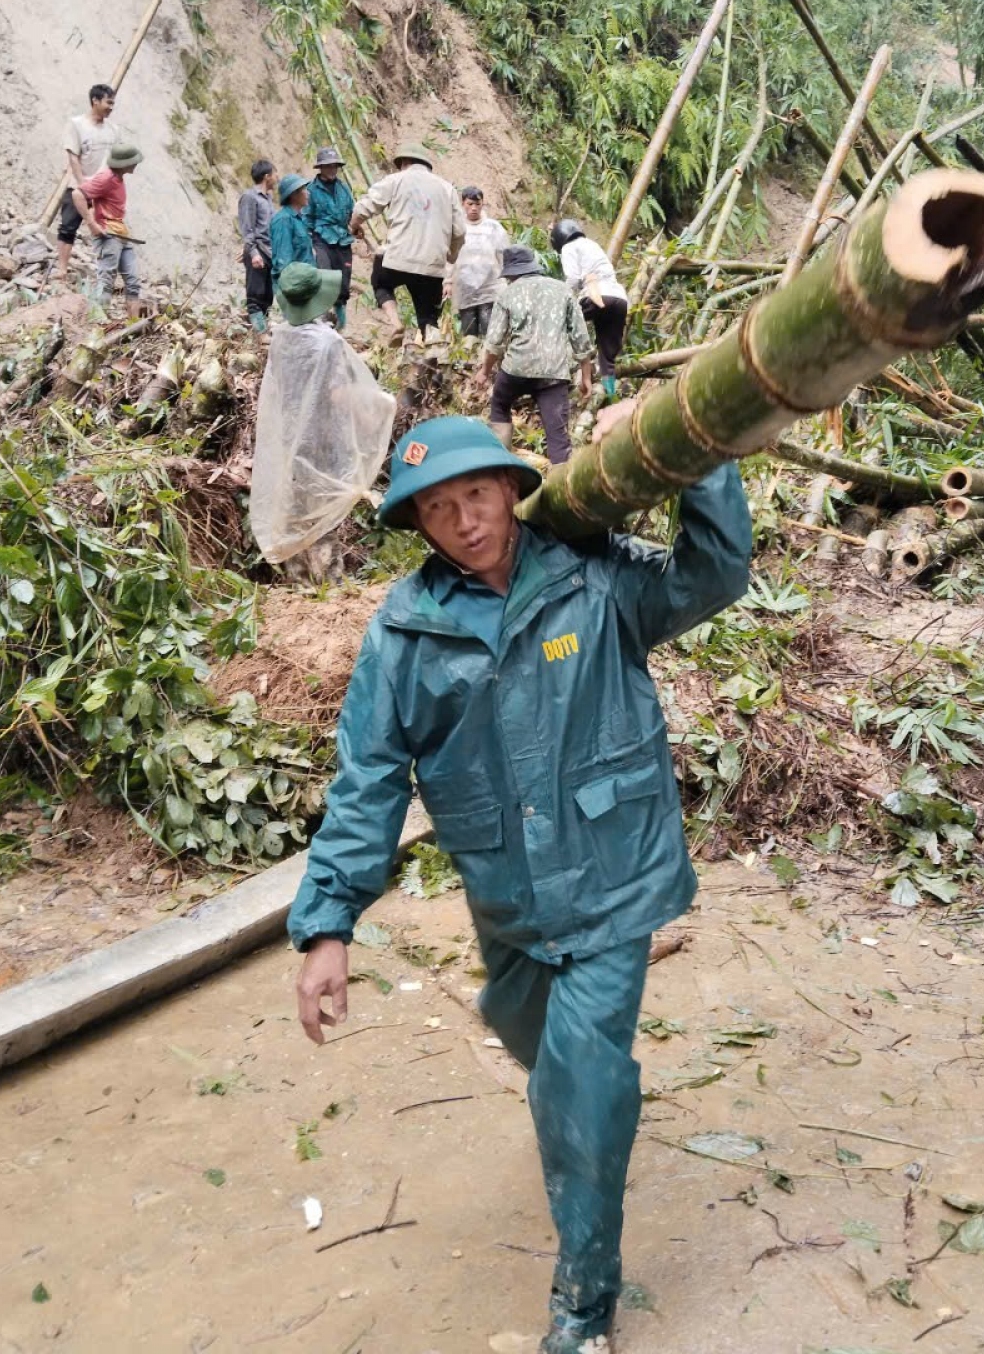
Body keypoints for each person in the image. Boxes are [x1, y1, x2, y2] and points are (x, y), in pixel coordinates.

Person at [289, 409, 753, 1353]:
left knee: (578, 1089)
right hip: (506, 895)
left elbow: (716, 573)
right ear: (418, 524)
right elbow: (368, 783)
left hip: (614, 880)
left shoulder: (596, 577)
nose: (465, 520)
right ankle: (589, 1107)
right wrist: (328, 926)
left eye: (478, 493)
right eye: (439, 508)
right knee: (524, 1031)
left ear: (510, 487)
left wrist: (699, 458)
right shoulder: (404, 635)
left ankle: (583, 1311)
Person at [250, 261, 396, 585]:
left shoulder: (280, 337)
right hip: (322, 435)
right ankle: (329, 581)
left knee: (297, 505)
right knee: (325, 506)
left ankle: (300, 578)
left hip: (290, 434)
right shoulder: (327, 342)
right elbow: (338, 393)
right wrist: (379, 402)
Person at [480, 245, 593, 464]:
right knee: (558, 437)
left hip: (516, 370)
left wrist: (484, 372)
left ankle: (500, 462)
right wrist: (586, 376)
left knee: (500, 405)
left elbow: (494, 342)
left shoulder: (507, 294)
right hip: (554, 373)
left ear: (511, 272)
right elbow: (581, 339)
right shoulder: (563, 290)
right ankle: (561, 484)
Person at [350, 143, 465, 345]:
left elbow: (365, 207)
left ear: (405, 162)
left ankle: (395, 323)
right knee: (428, 317)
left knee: (381, 284)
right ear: (427, 166)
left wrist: (354, 225)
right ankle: (432, 353)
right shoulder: (447, 189)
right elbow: (460, 231)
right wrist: (450, 256)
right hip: (432, 266)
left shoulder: (396, 180)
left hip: (397, 260)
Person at [551, 219, 629, 399]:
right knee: (607, 357)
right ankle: (610, 395)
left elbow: (572, 279)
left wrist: (560, 302)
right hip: (618, 298)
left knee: (560, 324)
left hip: (595, 295)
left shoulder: (568, 248)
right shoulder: (592, 244)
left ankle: (560, 374)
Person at [56, 83, 119, 284]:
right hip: (79, 186)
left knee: (107, 231)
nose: (111, 107)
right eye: (108, 102)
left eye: (113, 103)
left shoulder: (113, 129)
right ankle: (62, 269)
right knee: (68, 227)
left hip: (104, 191)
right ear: (95, 101)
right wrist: (84, 185)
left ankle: (107, 275)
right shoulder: (76, 125)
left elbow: (115, 160)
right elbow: (73, 157)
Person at [72, 143, 143, 305]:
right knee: (106, 282)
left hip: (121, 234)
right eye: (133, 162)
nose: (136, 165)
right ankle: (99, 322)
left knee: (133, 283)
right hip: (108, 234)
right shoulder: (106, 178)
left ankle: (135, 323)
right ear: (124, 163)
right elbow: (78, 194)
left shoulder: (118, 178)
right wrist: (92, 224)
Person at [304, 147, 356, 331]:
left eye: (335, 165)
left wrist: (358, 229)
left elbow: (352, 213)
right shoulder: (311, 191)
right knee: (325, 279)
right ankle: (321, 323)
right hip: (321, 239)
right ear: (321, 168)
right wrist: (308, 244)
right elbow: (305, 218)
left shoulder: (343, 189)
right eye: (328, 166)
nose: (332, 169)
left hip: (343, 240)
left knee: (342, 286)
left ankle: (341, 326)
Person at [449, 185, 508, 338]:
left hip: (490, 286)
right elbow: (449, 256)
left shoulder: (493, 227)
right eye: (470, 204)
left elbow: (504, 254)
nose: (474, 208)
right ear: (463, 204)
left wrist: (508, 279)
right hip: (465, 287)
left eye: (478, 204)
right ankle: (472, 361)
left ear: (483, 204)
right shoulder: (456, 227)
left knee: (489, 327)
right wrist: (447, 282)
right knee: (469, 329)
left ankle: (489, 361)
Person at [237, 158, 277, 331]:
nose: (277, 178)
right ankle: (259, 334)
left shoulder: (267, 199)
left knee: (268, 295)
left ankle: (262, 331)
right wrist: (252, 252)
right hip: (258, 251)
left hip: (269, 252)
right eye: (275, 174)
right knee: (255, 295)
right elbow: (247, 227)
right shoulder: (249, 197)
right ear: (267, 176)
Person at [269, 174, 316, 297]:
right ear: (294, 195)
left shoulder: (299, 219)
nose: (308, 193)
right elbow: (283, 259)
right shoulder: (283, 220)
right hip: (294, 285)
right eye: (304, 190)